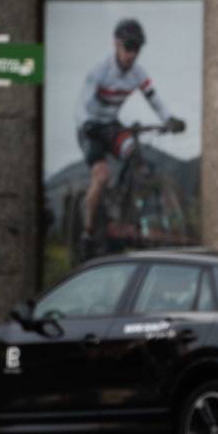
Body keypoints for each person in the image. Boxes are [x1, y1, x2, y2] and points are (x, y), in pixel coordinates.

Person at [76, 18, 184, 257]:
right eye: (128, 47)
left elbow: (154, 100)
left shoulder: (138, 74)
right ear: (116, 44)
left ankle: (125, 209)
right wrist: (85, 123)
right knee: (101, 176)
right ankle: (88, 232)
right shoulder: (100, 70)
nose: (132, 54)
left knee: (136, 156)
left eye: (136, 49)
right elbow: (83, 102)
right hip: (91, 128)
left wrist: (169, 120)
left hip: (111, 125)